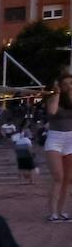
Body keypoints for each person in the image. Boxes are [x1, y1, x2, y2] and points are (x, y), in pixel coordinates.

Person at [42, 71, 72, 222]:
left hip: (70, 139)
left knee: (68, 179)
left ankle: (61, 211)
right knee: (58, 177)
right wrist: (58, 93)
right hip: (55, 138)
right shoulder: (53, 98)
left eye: (70, 84)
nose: (68, 86)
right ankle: (53, 212)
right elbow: (52, 111)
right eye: (65, 84)